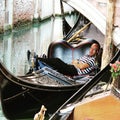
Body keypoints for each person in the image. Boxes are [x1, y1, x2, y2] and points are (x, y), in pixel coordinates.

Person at [33, 43, 100, 77]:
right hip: (72, 67)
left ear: (97, 52)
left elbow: (81, 67)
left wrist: (78, 64)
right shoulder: (86, 56)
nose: (91, 50)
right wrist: (78, 63)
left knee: (57, 60)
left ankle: (38, 59)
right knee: (56, 65)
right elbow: (74, 61)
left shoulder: (93, 60)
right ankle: (39, 62)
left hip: (74, 71)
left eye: (93, 50)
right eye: (91, 48)